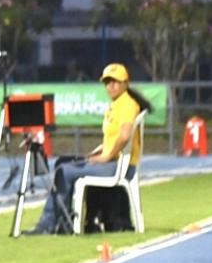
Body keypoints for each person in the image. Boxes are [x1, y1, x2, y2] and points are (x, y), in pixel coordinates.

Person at [26, 63, 152, 235]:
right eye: (107, 82)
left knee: (65, 171)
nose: (110, 86)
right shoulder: (117, 104)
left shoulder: (127, 105)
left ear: (125, 83)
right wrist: (99, 151)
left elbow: (124, 136)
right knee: (63, 162)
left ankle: (47, 224)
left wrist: (107, 156)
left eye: (115, 82)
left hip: (119, 166)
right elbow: (113, 137)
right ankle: (63, 220)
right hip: (116, 161)